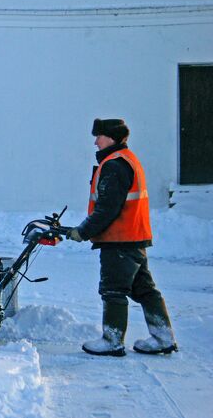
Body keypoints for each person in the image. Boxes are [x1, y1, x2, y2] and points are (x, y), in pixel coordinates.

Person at [67, 118, 178, 357]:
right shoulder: (128, 160)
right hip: (133, 237)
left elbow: (107, 208)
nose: (95, 142)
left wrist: (82, 232)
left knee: (113, 290)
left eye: (99, 136)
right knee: (144, 289)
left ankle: (112, 340)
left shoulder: (115, 165)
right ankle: (162, 336)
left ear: (112, 138)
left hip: (119, 239)